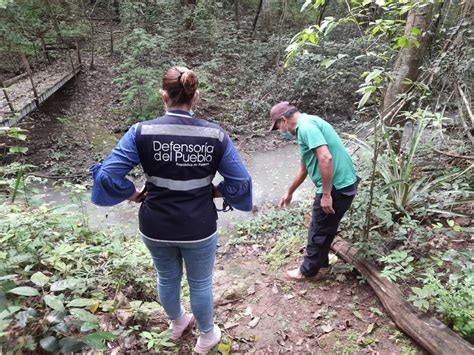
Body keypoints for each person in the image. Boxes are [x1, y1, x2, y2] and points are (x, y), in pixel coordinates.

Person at [90, 66, 252, 353]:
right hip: (199, 226)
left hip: (155, 225)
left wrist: (133, 194)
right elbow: (240, 181)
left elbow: (107, 176)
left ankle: (177, 323)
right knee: (200, 283)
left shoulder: (140, 132)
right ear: (196, 97)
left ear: (163, 96)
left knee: (166, 277)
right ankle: (206, 336)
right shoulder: (216, 135)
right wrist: (212, 190)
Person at [269, 101, 358, 281]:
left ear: (284, 120)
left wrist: (326, 194)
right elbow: (304, 168)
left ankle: (307, 272)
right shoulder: (308, 123)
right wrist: (290, 192)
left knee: (318, 229)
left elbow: (325, 158)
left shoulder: (307, 127)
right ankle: (322, 265)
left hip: (337, 187)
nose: (280, 131)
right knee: (325, 226)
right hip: (343, 184)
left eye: (278, 126)